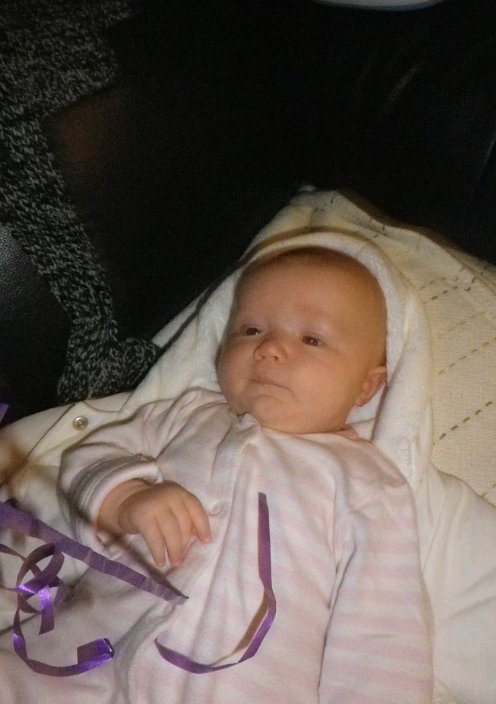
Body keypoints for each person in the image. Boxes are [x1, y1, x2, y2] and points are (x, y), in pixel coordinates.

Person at [4, 246, 433, 703]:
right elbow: (86, 460)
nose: (269, 348)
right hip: (74, 660)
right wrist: (126, 496)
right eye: (250, 329)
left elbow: (383, 629)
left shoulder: (366, 480)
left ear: (367, 386)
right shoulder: (186, 415)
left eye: (312, 339)